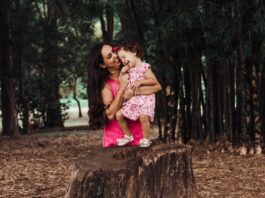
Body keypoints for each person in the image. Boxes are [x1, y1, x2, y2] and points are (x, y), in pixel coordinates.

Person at [87, 43, 161, 148]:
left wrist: (132, 92)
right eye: (109, 56)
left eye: (113, 52)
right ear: (103, 65)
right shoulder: (106, 85)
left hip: (140, 139)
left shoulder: (133, 71)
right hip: (117, 142)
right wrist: (122, 87)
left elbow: (157, 87)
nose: (115, 55)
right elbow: (111, 114)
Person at [115, 42, 157, 147]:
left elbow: (153, 81)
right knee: (119, 115)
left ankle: (146, 139)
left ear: (133, 52)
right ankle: (128, 135)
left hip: (146, 99)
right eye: (121, 59)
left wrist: (141, 82)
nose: (123, 61)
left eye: (124, 57)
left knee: (143, 117)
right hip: (134, 99)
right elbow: (121, 83)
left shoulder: (144, 67)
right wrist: (122, 73)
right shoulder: (129, 69)